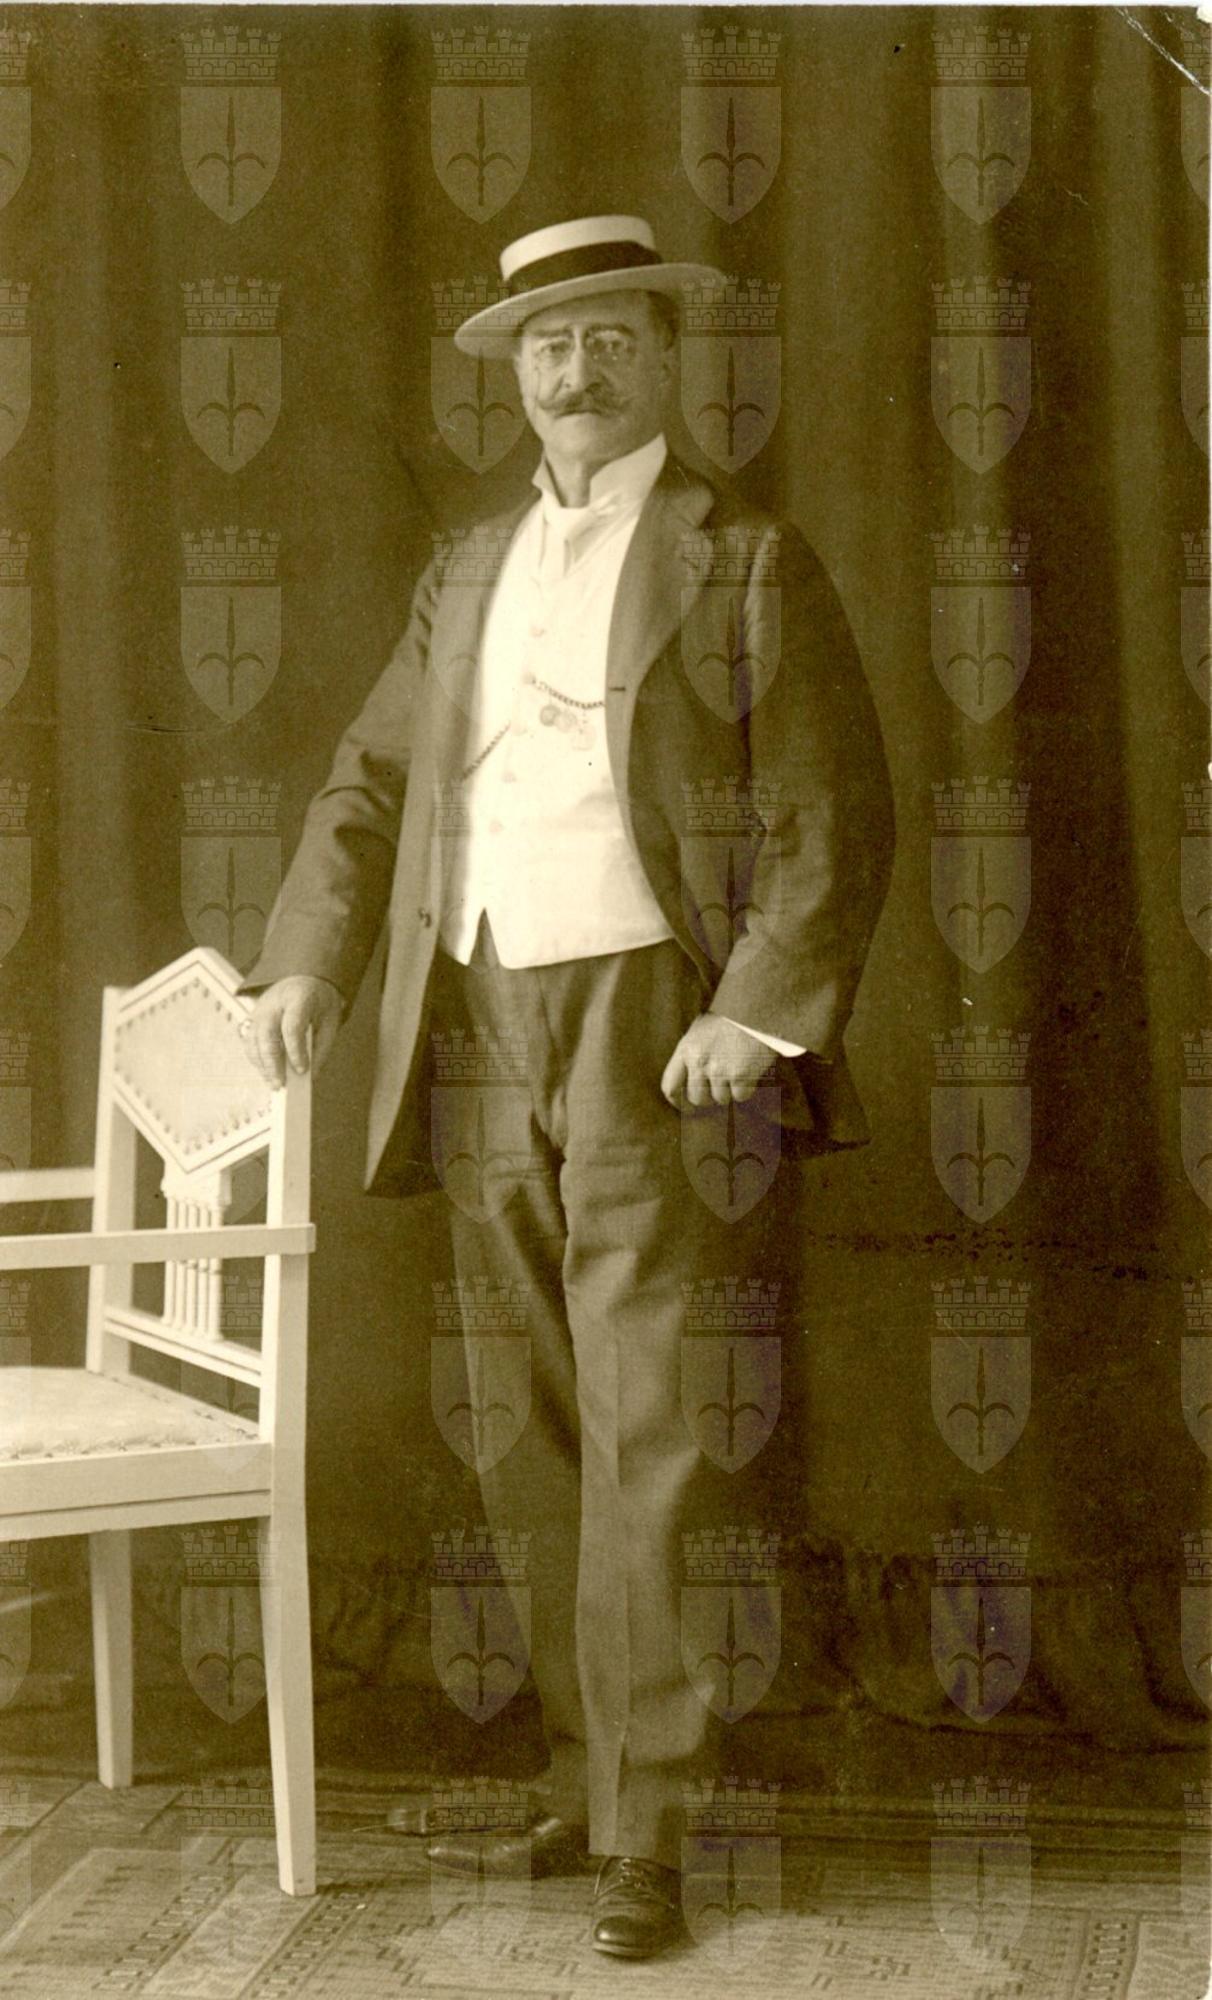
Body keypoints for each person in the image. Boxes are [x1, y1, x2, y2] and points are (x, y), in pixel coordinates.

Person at [242, 213, 895, 1960]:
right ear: (514, 376)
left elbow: (830, 808)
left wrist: (755, 1012)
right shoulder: (467, 566)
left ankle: (654, 1830)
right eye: (548, 344)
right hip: (474, 1014)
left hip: (648, 1025)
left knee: (649, 1427)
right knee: (532, 1422)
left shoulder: (745, 558)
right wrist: (310, 963)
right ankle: (584, 1778)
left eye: (610, 336)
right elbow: (370, 781)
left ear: (664, 357)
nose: (577, 369)